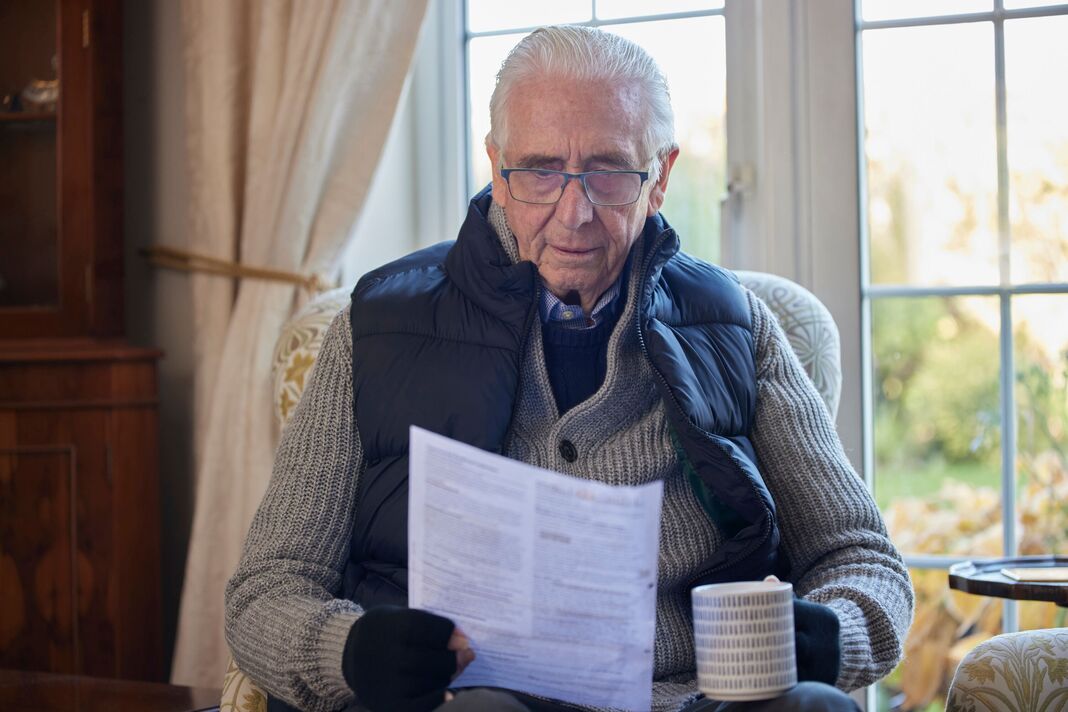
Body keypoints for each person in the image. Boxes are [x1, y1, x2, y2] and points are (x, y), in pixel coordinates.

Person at [226, 25, 913, 712]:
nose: (574, 213)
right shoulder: (375, 328)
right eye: (539, 170)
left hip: (686, 700)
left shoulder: (736, 323)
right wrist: (349, 650)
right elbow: (265, 593)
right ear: (496, 168)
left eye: (610, 171)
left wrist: (826, 636)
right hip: (468, 699)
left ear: (662, 176)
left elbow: (863, 560)